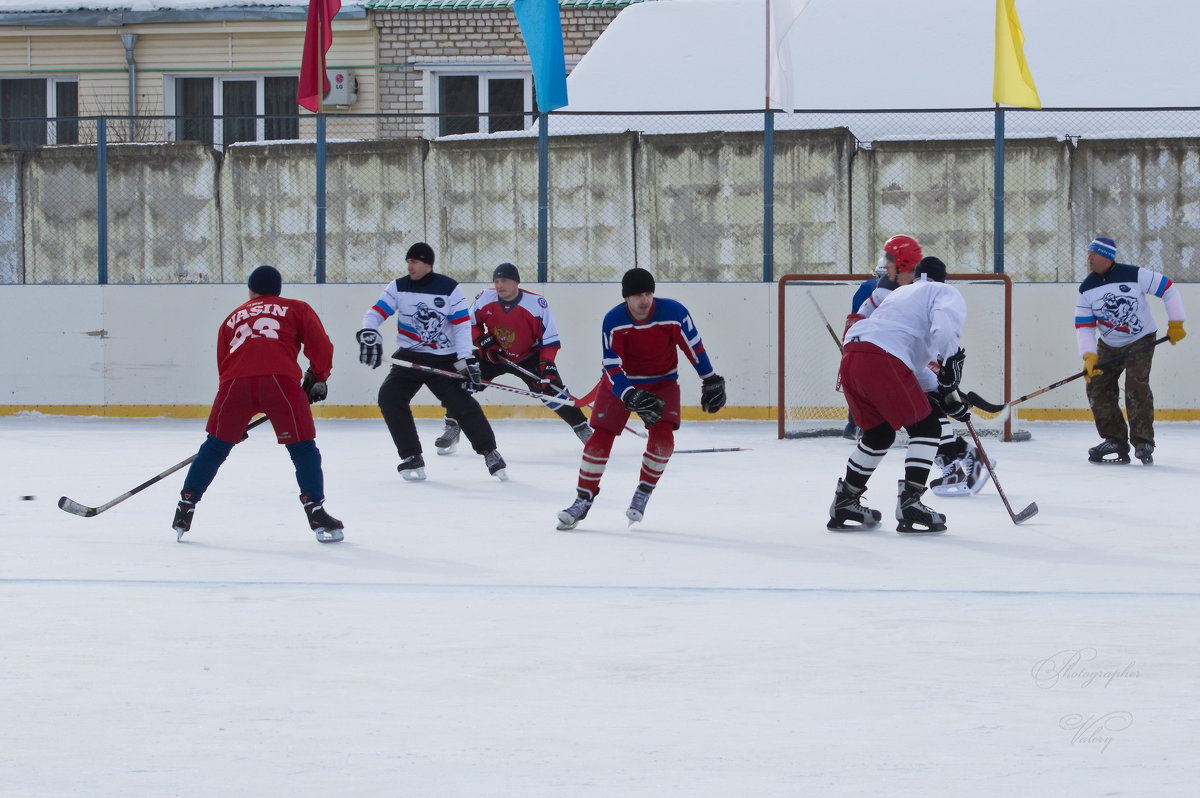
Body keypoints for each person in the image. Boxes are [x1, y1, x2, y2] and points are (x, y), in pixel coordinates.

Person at [172, 265, 343, 543]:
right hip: (280, 381)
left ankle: (186, 505)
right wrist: (318, 377)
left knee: (215, 447)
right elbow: (321, 346)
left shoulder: (231, 318)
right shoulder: (296, 308)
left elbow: (224, 364)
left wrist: (233, 422)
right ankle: (316, 510)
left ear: (251, 291)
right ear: (278, 290)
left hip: (234, 386)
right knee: (302, 449)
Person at [556, 268, 726, 530]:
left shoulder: (674, 313)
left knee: (664, 440)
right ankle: (583, 499)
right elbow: (611, 366)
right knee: (598, 440)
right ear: (626, 298)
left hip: (663, 382)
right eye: (637, 295)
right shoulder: (613, 320)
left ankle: (643, 491)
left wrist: (710, 378)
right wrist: (627, 393)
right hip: (622, 383)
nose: (644, 300)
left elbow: (694, 346)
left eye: (648, 293)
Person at [827, 250, 969, 535]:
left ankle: (845, 501)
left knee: (879, 434)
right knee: (927, 429)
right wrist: (952, 361)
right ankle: (911, 503)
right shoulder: (943, 291)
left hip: (853, 358)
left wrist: (949, 396)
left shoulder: (899, 295)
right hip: (883, 359)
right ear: (944, 279)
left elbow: (915, 370)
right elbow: (943, 329)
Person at [356, 242, 508, 481]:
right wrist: (369, 332)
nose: (410, 267)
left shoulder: (449, 288)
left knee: (461, 404)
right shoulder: (398, 287)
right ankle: (411, 456)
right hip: (409, 357)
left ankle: (490, 451)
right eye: (408, 262)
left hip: (443, 359)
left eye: (414, 262)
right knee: (389, 397)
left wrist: (466, 360)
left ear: (428, 264)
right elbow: (375, 313)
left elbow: (460, 326)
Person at [432, 262, 591, 455]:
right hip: (494, 356)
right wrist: (484, 343)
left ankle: (583, 428)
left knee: (551, 390)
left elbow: (549, 342)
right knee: (461, 379)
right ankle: (452, 426)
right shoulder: (485, 298)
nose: (499, 285)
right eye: (496, 281)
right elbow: (470, 325)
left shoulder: (536, 304)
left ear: (516, 282)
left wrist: (546, 366)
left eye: (504, 280)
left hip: (529, 357)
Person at [1075, 236, 1187, 465]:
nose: (1089, 258)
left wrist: (1176, 322)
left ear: (1106, 257)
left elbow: (1168, 288)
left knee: (1136, 385)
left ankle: (1143, 441)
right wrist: (1088, 356)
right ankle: (1115, 440)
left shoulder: (1135, 274)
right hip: (1109, 344)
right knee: (1097, 385)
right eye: (1088, 254)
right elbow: (1084, 327)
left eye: (1093, 254)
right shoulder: (1086, 288)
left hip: (1140, 338)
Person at [842, 257, 890, 439]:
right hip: (878, 345)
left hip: (864, 342)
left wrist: (850, 342)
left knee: (863, 385)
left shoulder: (867, 287)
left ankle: (854, 426)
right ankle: (862, 426)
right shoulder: (873, 289)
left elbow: (855, 319)